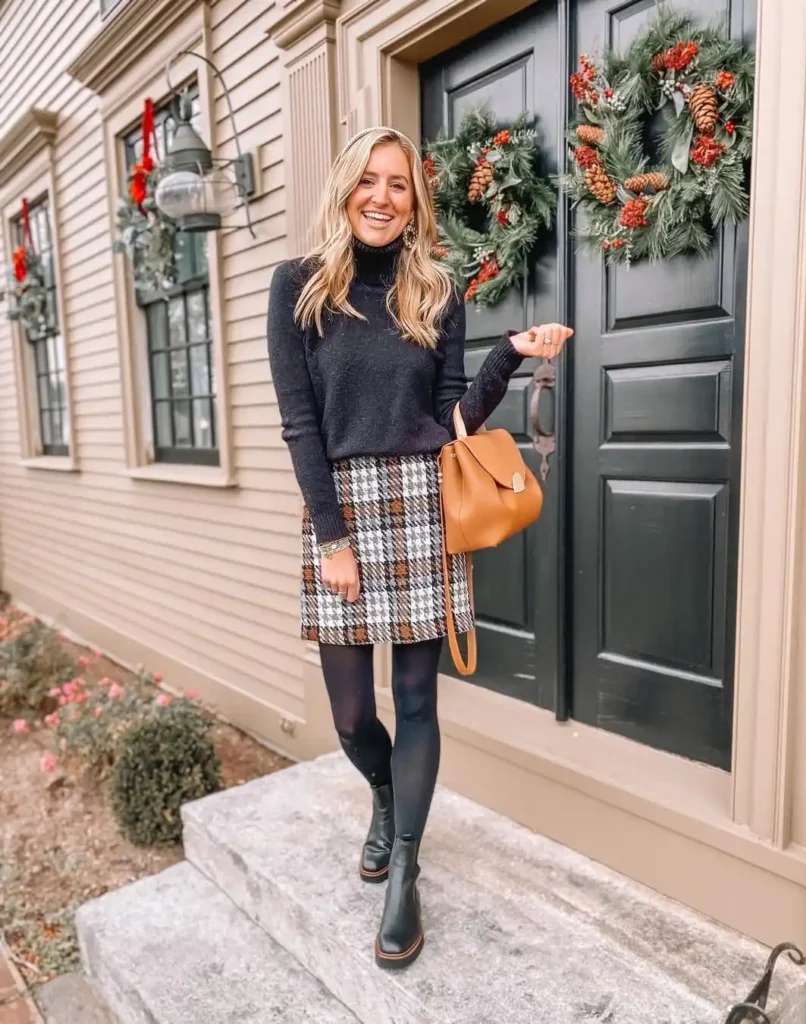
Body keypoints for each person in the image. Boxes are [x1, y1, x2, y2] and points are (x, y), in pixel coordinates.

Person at [267, 125, 572, 970]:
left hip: (421, 504)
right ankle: (381, 792)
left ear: (414, 201)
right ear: (344, 189)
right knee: (354, 714)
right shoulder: (296, 289)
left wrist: (508, 357)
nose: (382, 196)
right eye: (369, 179)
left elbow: (450, 423)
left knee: (417, 703)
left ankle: (404, 868)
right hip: (339, 510)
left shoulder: (433, 290)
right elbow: (299, 424)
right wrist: (331, 536)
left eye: (399, 184)